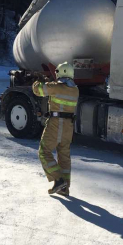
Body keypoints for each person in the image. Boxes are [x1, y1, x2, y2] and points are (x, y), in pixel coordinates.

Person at [32, 62, 79, 196]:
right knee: (64, 155)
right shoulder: (75, 90)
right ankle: (65, 188)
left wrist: (37, 81)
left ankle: (58, 180)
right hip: (68, 126)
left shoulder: (57, 87)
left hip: (56, 124)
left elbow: (38, 90)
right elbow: (58, 90)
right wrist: (50, 83)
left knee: (44, 151)